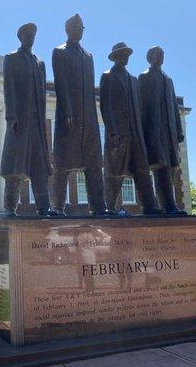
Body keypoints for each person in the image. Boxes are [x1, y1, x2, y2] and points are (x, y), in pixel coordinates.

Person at [51, 14, 113, 216]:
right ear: (67, 28)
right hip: (69, 116)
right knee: (63, 163)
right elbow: (60, 83)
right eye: (75, 26)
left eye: (81, 27)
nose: (79, 29)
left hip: (89, 118)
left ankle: (98, 205)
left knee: (94, 164)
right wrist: (67, 110)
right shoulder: (59, 52)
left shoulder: (88, 56)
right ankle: (57, 206)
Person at [100, 42, 162, 214]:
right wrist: (112, 130)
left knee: (142, 170)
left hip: (136, 134)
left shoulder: (134, 80)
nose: (125, 57)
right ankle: (109, 207)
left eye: (127, 54)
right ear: (115, 57)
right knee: (115, 172)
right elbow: (105, 106)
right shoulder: (107, 77)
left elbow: (140, 109)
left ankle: (150, 206)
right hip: (118, 134)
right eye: (121, 54)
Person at [1, 23, 52, 216]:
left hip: (37, 123)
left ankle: (44, 207)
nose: (31, 38)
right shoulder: (12, 58)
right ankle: (9, 207)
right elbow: (9, 88)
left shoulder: (39, 63)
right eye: (28, 34)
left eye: (33, 35)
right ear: (20, 37)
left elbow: (43, 94)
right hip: (19, 122)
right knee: (14, 167)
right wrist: (11, 116)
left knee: (39, 167)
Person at [138, 46, 187, 215]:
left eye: (163, 54)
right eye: (158, 54)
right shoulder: (144, 77)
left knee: (172, 167)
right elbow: (141, 108)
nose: (162, 57)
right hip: (154, 132)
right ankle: (168, 206)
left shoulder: (168, 79)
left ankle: (170, 205)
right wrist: (143, 134)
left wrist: (179, 130)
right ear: (150, 57)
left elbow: (174, 106)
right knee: (161, 167)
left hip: (170, 131)